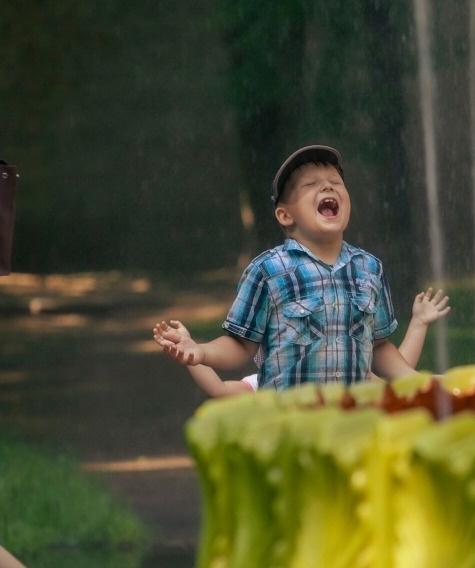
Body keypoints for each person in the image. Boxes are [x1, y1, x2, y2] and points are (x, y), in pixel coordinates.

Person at [155, 144, 426, 389]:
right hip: (289, 426)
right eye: (310, 185)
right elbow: (240, 345)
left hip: (352, 426)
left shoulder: (370, 269)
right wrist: (200, 352)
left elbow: (379, 347)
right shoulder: (268, 271)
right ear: (285, 215)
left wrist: (419, 382)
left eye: (336, 181)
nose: (327, 187)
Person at [155, 288, 450, 398]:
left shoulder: (355, 376)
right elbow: (218, 389)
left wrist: (419, 323)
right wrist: (192, 351)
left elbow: (401, 372)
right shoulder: (266, 387)